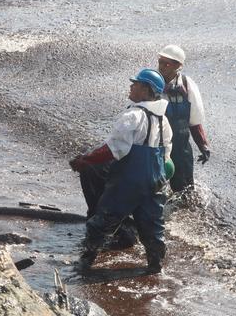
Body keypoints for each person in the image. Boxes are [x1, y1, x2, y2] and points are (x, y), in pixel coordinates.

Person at [69, 69, 173, 272]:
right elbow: (166, 153)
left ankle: (86, 262)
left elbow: (114, 149)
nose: (131, 87)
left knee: (101, 223)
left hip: (129, 182)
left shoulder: (133, 115)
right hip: (155, 181)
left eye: (135, 84)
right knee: (152, 227)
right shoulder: (163, 120)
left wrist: (85, 161)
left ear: (145, 90)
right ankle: (155, 267)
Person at [156, 45, 211, 192]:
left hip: (180, 147)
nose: (161, 67)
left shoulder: (188, 85)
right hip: (154, 146)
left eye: (166, 64)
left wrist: (203, 144)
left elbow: (195, 120)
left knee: (185, 190)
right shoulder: (151, 83)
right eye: (160, 62)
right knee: (151, 187)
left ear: (178, 66)